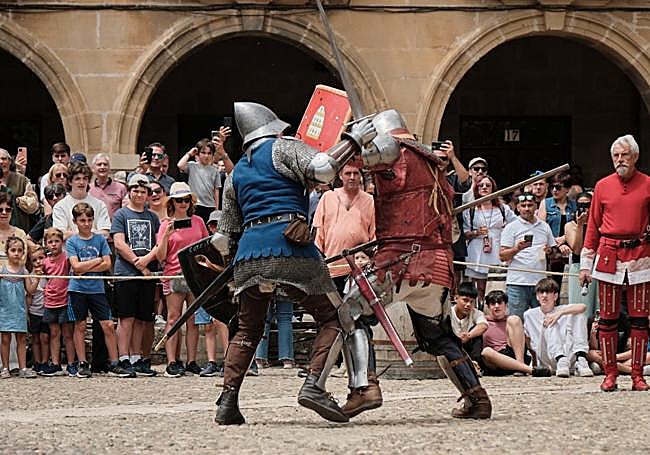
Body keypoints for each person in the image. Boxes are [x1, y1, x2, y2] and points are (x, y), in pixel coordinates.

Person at [213, 101, 376, 425]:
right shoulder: (283, 147)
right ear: (272, 128)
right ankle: (314, 385)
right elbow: (322, 169)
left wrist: (235, 261)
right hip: (289, 247)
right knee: (337, 317)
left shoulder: (236, 173)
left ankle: (227, 402)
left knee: (248, 329)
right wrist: (354, 141)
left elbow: (222, 236)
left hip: (248, 255)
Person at [345, 109, 492, 420]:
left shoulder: (394, 150)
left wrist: (350, 138)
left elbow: (352, 161)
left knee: (351, 311)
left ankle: (365, 388)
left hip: (403, 261)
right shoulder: (431, 161)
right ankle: (477, 398)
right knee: (439, 337)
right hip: (437, 264)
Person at [579, 134, 650, 392]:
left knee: (640, 320)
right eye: (616, 156)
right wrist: (585, 264)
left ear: (635, 156)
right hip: (609, 255)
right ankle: (610, 374)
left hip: (641, 255)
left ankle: (637, 376)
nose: (620, 160)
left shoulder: (648, 184)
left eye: (624, 155)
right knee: (607, 320)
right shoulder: (602, 186)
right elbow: (593, 226)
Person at [66, 202, 132, 378]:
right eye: (82, 220)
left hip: (97, 289)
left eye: (89, 220)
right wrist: (96, 261)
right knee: (80, 325)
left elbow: (107, 264)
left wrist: (86, 266)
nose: (86, 224)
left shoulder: (100, 240)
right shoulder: (72, 241)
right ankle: (82, 363)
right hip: (78, 289)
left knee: (108, 325)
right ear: (75, 221)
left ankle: (114, 362)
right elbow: (76, 267)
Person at [156, 182, 209, 378]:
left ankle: (191, 360)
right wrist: (166, 236)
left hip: (195, 274)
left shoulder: (198, 221)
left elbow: (206, 246)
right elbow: (160, 256)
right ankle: (172, 361)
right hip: (174, 273)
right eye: (179, 200)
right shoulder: (165, 225)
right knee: (173, 318)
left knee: (193, 320)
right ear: (172, 202)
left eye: (186, 200)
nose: (183, 204)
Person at [111, 175, 160, 377]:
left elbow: (158, 244)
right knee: (126, 318)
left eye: (143, 191)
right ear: (129, 192)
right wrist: (138, 263)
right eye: (136, 191)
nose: (139, 194)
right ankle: (123, 357)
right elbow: (119, 243)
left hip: (146, 273)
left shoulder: (153, 217)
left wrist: (146, 261)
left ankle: (136, 357)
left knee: (141, 318)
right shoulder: (121, 215)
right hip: (126, 273)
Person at [500, 192, 570, 319]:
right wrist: (517, 248)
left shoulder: (544, 226)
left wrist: (550, 251)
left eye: (530, 205)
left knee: (542, 320)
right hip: (517, 283)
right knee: (516, 321)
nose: (527, 208)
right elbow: (502, 256)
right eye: (523, 205)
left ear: (536, 206)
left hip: (540, 283)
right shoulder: (511, 227)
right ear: (518, 208)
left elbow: (554, 254)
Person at [313, 163, 375, 294]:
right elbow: (318, 235)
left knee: (357, 307)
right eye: (348, 173)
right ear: (340, 176)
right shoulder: (328, 197)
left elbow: (374, 236)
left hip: (359, 269)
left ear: (361, 176)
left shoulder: (370, 201)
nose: (352, 177)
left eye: (356, 173)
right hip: (331, 268)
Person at [523, 278, 592, 377]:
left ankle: (580, 357)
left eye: (548, 292)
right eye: (541, 292)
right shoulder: (529, 314)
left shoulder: (561, 309)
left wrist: (559, 314)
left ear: (555, 296)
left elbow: (583, 307)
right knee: (550, 320)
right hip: (546, 355)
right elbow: (528, 339)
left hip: (567, 355)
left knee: (578, 315)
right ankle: (560, 358)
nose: (544, 295)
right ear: (537, 296)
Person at [463, 175, 515, 302]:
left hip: (497, 249)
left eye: (488, 185)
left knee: (497, 286)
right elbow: (464, 232)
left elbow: (515, 224)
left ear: (493, 188)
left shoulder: (503, 208)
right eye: (481, 185)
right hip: (477, 251)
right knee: (479, 288)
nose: (484, 187)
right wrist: (476, 233)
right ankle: (480, 308)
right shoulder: (470, 209)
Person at [480, 290, 551, 377]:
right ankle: (530, 370)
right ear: (488, 306)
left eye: (499, 303)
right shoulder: (482, 321)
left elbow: (527, 341)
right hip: (495, 359)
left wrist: (535, 360)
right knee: (486, 351)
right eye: (493, 304)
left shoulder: (511, 322)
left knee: (514, 319)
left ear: (506, 305)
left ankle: (520, 366)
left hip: (512, 353)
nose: (496, 306)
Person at [39, 228, 76, 377]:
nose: (53, 244)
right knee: (54, 333)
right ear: (46, 244)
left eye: (57, 241)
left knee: (68, 333)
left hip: (65, 300)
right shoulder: (45, 262)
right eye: (50, 242)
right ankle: (55, 363)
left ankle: (72, 363)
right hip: (50, 301)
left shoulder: (67, 258)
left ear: (62, 242)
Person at [0, 237, 37, 378]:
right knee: (5, 339)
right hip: (5, 309)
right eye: (13, 250)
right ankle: (5, 368)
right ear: (7, 252)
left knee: (21, 339)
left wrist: (37, 278)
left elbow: (30, 290)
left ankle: (23, 368)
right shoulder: (2, 271)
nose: (16, 253)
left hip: (19, 310)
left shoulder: (24, 271)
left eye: (20, 250)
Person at [53, 161, 111, 240]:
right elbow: (61, 235)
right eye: (77, 179)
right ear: (70, 182)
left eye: (85, 178)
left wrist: (75, 233)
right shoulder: (60, 206)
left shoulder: (100, 205)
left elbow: (105, 233)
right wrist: (91, 232)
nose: (81, 182)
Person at [538, 171, 577, 287]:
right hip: (551, 250)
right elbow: (541, 228)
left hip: (570, 248)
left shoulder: (574, 205)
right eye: (552, 187)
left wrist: (564, 239)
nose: (554, 190)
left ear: (567, 189)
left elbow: (577, 227)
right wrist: (557, 243)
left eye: (558, 187)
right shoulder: (545, 203)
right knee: (552, 284)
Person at [564, 192, 598, 318]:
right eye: (580, 205)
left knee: (598, 309)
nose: (584, 208)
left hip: (597, 266)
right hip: (578, 266)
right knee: (580, 310)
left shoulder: (600, 224)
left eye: (587, 205)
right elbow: (577, 250)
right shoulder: (570, 225)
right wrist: (580, 225)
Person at [178, 137, 226, 224]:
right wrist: (189, 153)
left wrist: (216, 208)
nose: (206, 156)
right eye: (203, 153)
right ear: (198, 154)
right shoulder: (192, 166)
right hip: (195, 204)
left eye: (209, 153)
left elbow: (216, 190)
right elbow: (180, 165)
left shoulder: (215, 170)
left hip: (210, 206)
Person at [0, 148, 39, 231]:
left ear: (10, 162)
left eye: (4, 159)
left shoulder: (22, 180)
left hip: (18, 231)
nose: (1, 162)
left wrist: (17, 200)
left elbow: (34, 205)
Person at [450, 282, 488, 366]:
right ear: (456, 298)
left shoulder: (476, 313)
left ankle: (475, 363)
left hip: (467, 347)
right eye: (465, 300)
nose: (468, 305)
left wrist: (468, 336)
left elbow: (483, 326)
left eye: (472, 302)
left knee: (476, 332)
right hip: (451, 346)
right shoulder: (448, 312)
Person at [255, 292, 295, 369]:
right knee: (285, 318)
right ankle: (287, 359)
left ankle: (260, 358)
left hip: (264, 287)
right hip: (285, 287)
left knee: (264, 318)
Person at [26, 245, 49, 374]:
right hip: (34, 312)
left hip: (47, 311)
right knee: (35, 338)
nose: (38, 262)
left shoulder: (49, 274)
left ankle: (45, 362)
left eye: (41, 258)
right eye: (34, 260)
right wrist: (27, 312)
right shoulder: (30, 276)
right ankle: (37, 362)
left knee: (45, 337)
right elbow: (30, 294)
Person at [89, 153, 128, 219]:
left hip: (114, 225)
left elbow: (126, 210)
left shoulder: (121, 188)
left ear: (109, 168)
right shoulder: (88, 188)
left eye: (105, 164)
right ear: (93, 169)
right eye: (99, 164)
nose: (102, 167)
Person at [0, 192, 28, 268]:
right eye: (0, 210)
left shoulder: (20, 233)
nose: (4, 213)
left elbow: (22, 260)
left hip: (17, 274)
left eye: (8, 210)